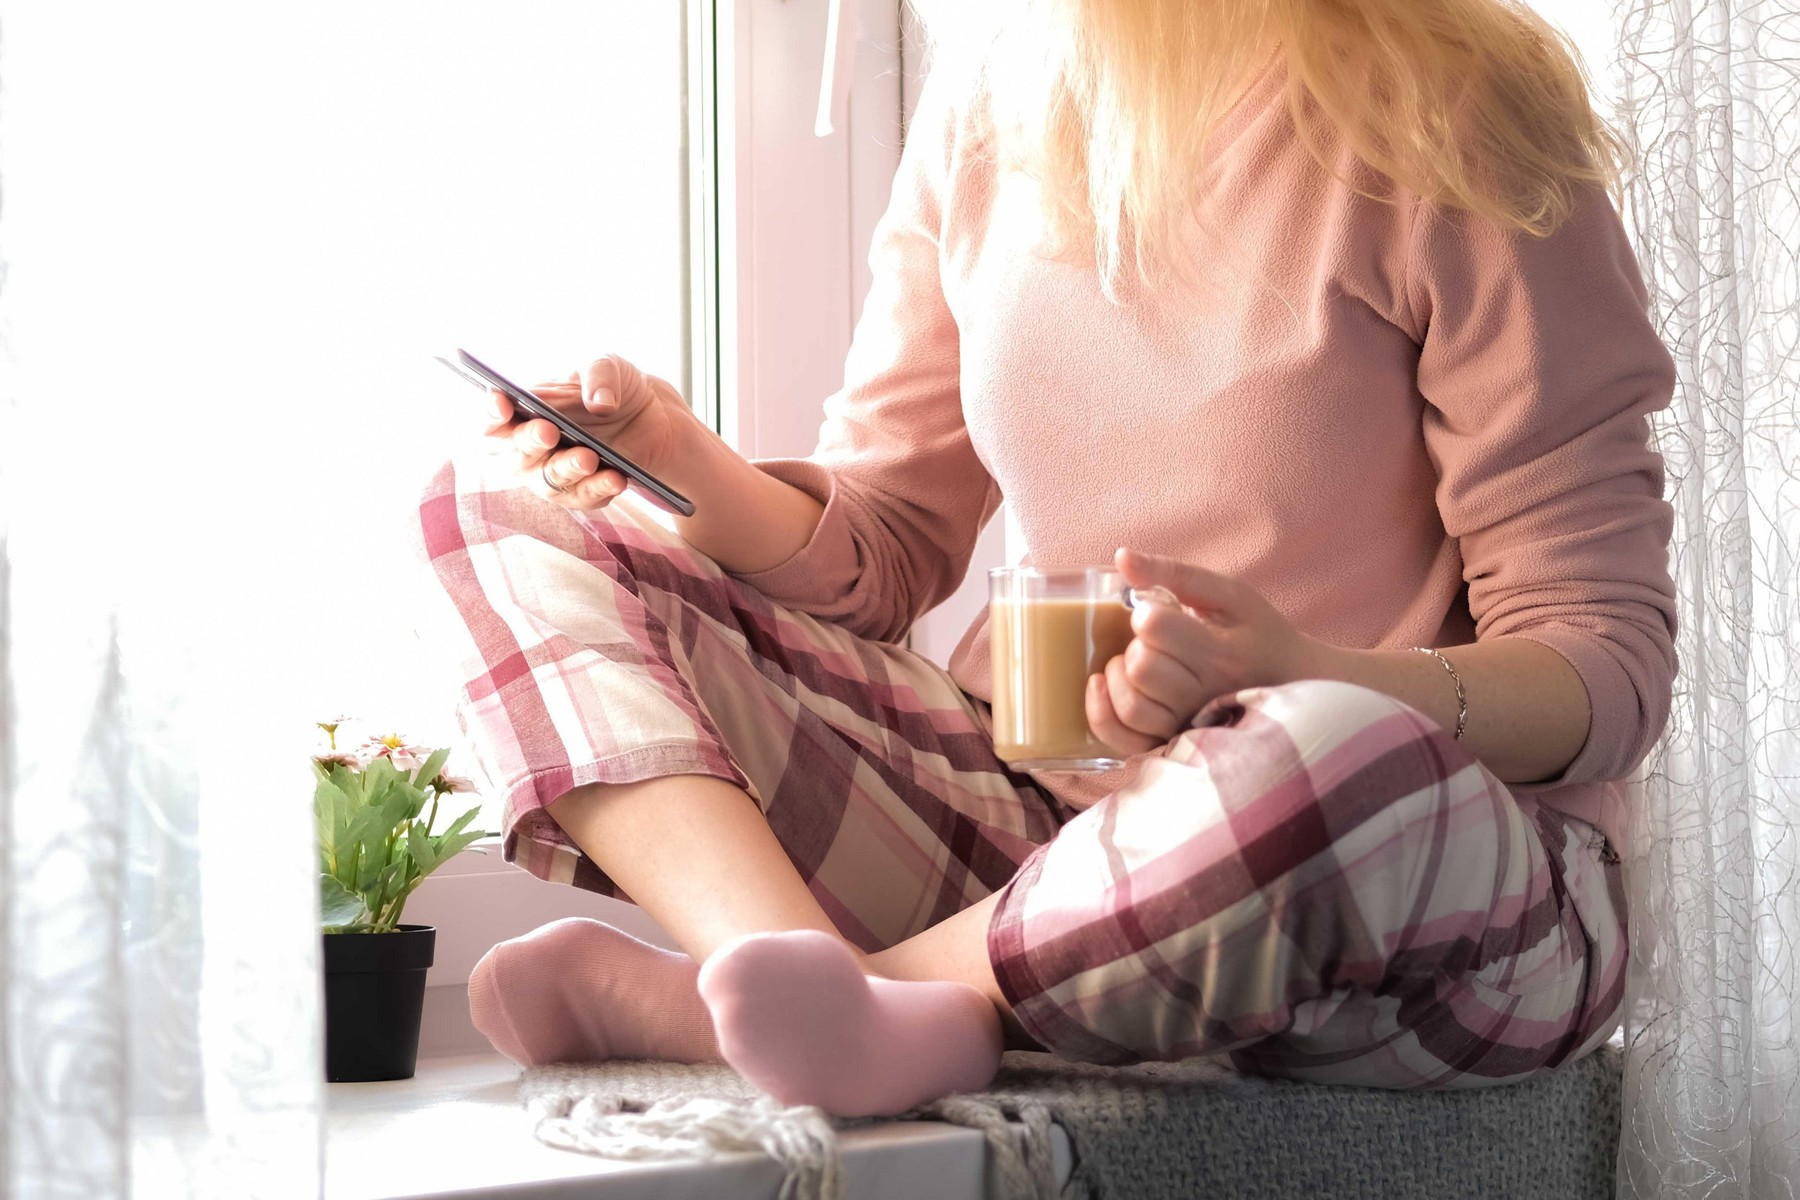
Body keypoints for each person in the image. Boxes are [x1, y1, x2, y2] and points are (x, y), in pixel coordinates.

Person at [415, 0, 1674, 1118]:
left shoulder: (1456, 114)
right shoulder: (994, 103)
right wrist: (681, 464)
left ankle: (828, 1003)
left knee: (1321, 748)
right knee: (498, 498)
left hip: (1437, 888)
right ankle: (790, 980)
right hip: (1039, 840)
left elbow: (1609, 670)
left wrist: (1298, 672)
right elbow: (884, 547)